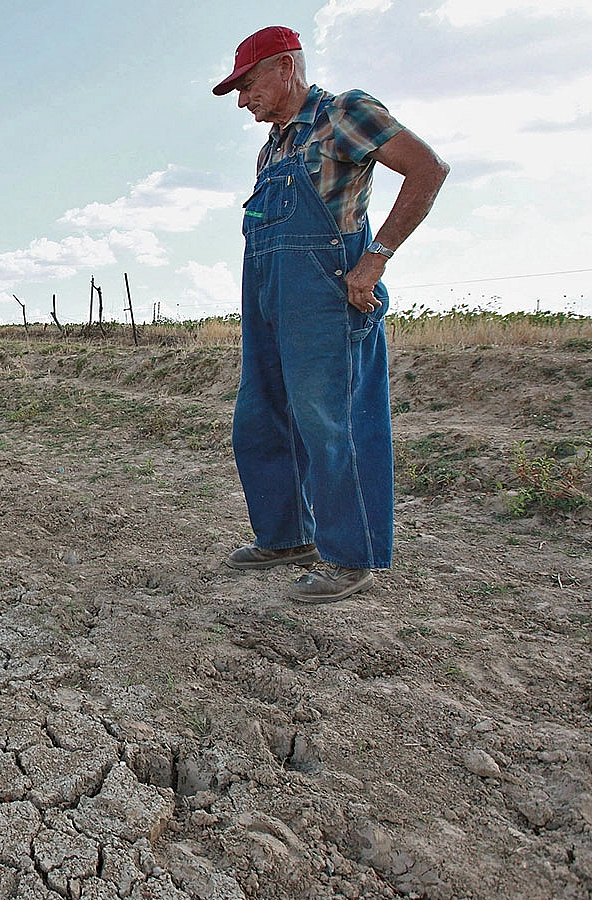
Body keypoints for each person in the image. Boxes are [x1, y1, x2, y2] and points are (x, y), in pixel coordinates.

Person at [213, 26, 449, 602]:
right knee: (261, 414)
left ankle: (351, 554)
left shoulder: (345, 113)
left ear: (285, 66)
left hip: (326, 292)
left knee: (332, 418)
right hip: (269, 291)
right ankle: (286, 535)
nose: (243, 101)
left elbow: (428, 169)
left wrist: (374, 261)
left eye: (246, 86)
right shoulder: (273, 145)